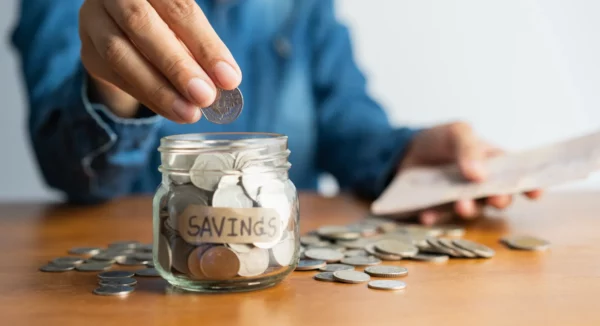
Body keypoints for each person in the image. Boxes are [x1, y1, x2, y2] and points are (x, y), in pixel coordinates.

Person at [11, 0, 541, 224]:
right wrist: (110, 81)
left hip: (285, 270)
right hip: (140, 278)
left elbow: (345, 119)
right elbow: (71, 169)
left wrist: (405, 154)